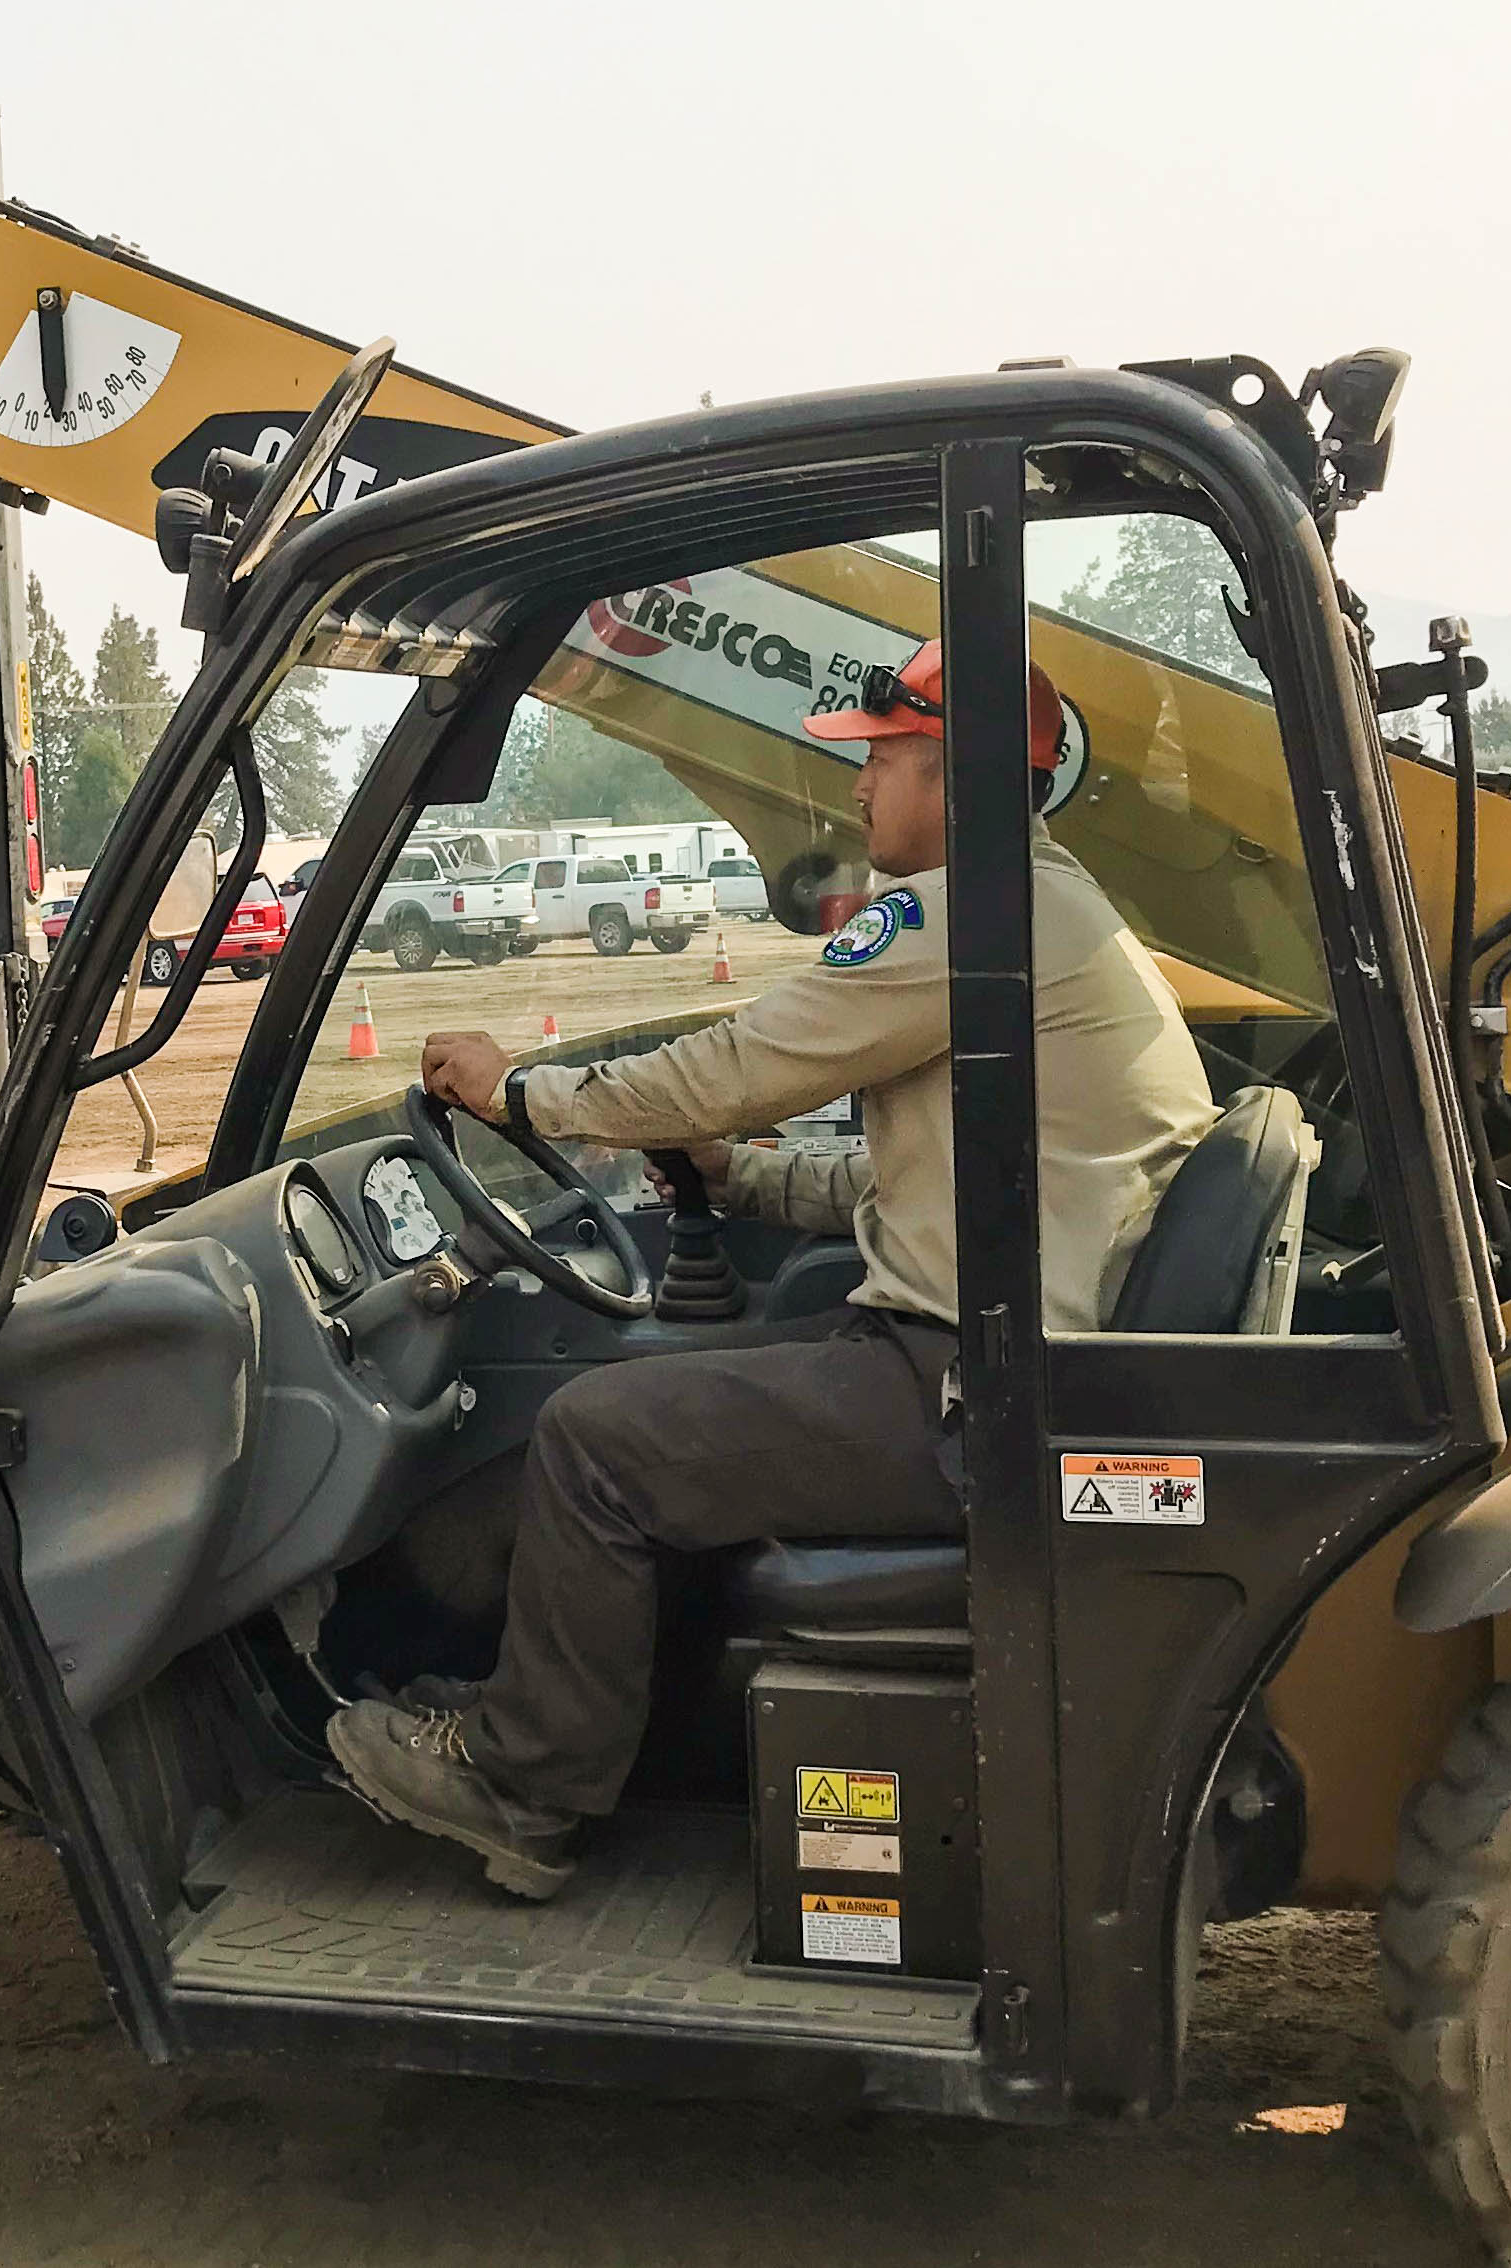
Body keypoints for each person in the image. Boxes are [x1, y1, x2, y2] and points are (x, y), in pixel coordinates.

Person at [328, 638, 1216, 1899]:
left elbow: (747, 1065)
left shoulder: (976, 911)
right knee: (666, 1387)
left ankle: (522, 1790)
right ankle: (565, 1722)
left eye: (881, 764)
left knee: (592, 1437)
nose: (856, 794)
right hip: (992, 1365)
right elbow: (928, 1184)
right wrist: (742, 1180)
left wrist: (525, 1091)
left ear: (953, 776)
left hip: (974, 1392)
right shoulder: (1040, 914)